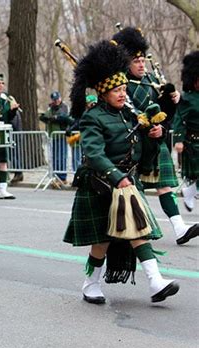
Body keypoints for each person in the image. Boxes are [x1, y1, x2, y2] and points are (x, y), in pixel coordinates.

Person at [64, 40, 179, 305]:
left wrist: (154, 136)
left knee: (139, 231)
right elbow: (94, 154)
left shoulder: (130, 116)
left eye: (124, 88)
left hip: (129, 183)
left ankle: (155, 281)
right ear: (104, 91)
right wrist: (117, 176)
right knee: (102, 242)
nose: (122, 93)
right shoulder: (93, 118)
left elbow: (143, 153)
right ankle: (91, 283)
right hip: (101, 185)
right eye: (116, 89)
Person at [113, 27, 199, 244]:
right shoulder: (119, 84)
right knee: (133, 189)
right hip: (131, 145)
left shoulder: (152, 81)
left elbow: (164, 112)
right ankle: (131, 230)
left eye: (143, 60)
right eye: (136, 60)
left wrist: (171, 104)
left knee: (165, 185)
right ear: (126, 63)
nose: (142, 64)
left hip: (155, 140)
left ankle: (179, 228)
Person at [173, 50, 199, 220]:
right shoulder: (187, 99)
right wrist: (178, 140)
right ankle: (189, 192)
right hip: (193, 142)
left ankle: (189, 191)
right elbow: (178, 120)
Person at [39, 91, 74, 184]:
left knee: (61, 157)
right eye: (54, 100)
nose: (56, 101)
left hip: (61, 135)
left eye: (57, 99)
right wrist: (49, 118)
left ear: (60, 98)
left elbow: (64, 117)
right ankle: (56, 177)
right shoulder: (50, 108)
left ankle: (62, 177)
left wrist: (54, 118)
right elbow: (44, 117)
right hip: (52, 136)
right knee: (54, 158)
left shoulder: (64, 107)